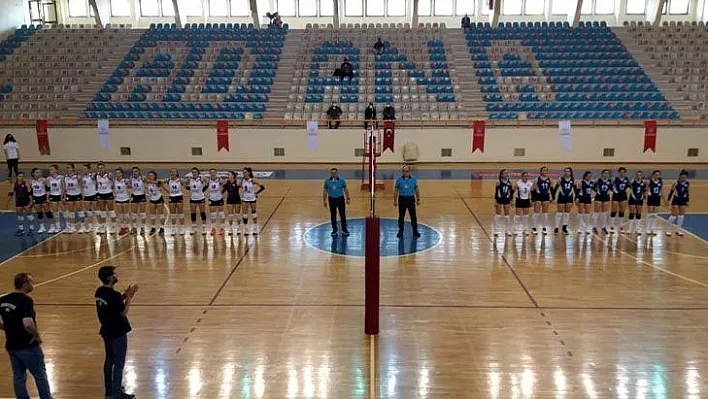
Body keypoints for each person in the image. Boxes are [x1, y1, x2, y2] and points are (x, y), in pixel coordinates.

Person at [0, 273, 52, 399]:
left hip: (11, 345)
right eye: (31, 282)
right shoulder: (26, 301)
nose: (33, 284)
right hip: (27, 346)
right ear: (25, 285)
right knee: (40, 375)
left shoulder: (3, 300)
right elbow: (28, 324)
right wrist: (37, 335)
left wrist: (7, 327)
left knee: (18, 377)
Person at [95, 266, 137, 399]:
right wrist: (129, 298)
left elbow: (113, 303)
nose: (117, 275)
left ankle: (109, 390)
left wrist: (124, 295)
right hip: (118, 332)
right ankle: (117, 393)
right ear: (111, 278)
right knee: (119, 362)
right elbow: (123, 312)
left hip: (106, 330)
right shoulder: (114, 296)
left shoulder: (99, 292)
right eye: (115, 274)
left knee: (109, 361)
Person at [394, 165, 421, 238]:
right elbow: (396, 190)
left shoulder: (414, 179)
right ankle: (400, 231)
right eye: (404, 171)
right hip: (402, 199)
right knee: (401, 216)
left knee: (413, 216)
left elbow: (416, 189)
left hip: (411, 199)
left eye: (407, 171)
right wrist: (395, 200)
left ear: (409, 171)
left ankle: (415, 231)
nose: (405, 172)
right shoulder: (399, 180)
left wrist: (418, 199)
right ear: (402, 172)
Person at [323, 168, 350, 236]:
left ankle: (344, 229)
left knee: (342, 214)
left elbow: (345, 189)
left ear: (337, 173)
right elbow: (325, 191)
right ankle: (334, 230)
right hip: (332, 200)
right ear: (331, 173)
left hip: (340, 199)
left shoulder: (342, 180)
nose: (334, 174)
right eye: (332, 173)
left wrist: (348, 198)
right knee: (333, 215)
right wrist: (324, 200)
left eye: (335, 173)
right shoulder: (327, 181)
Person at [240, 167, 265, 235]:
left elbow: (262, 187)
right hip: (244, 198)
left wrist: (256, 193)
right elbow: (239, 186)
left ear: (249, 172)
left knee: (253, 213)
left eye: (245, 172)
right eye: (243, 172)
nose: (243, 173)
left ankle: (255, 228)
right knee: (244, 214)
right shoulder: (242, 179)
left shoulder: (253, 180)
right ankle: (246, 229)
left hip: (252, 198)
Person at [666, 169, 689, 236]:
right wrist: (668, 200)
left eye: (684, 177)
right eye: (682, 177)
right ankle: (667, 229)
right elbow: (671, 192)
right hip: (676, 200)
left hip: (683, 200)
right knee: (673, 216)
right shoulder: (676, 183)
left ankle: (678, 230)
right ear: (679, 177)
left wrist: (687, 200)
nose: (683, 179)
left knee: (681, 216)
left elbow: (687, 192)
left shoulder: (687, 183)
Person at [96, 162, 116, 235]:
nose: (100, 169)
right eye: (99, 168)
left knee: (111, 211)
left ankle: (113, 227)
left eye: (102, 168)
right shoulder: (97, 175)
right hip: (100, 194)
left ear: (104, 168)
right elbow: (96, 184)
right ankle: (103, 227)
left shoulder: (109, 175)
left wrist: (112, 188)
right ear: (97, 169)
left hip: (108, 194)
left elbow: (113, 183)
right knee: (102, 212)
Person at [187, 167, 208, 235]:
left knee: (202, 212)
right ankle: (194, 228)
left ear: (198, 172)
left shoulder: (201, 178)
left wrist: (203, 190)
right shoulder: (190, 179)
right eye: (193, 172)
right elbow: (185, 185)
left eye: (195, 172)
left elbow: (207, 184)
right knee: (193, 213)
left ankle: (204, 228)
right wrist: (190, 190)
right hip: (193, 198)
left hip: (201, 198)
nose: (194, 173)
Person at [553, 167, 574, 235]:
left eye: (568, 171)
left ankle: (564, 227)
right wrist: (553, 197)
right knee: (559, 213)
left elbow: (575, 189)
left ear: (570, 172)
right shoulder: (560, 179)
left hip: (569, 197)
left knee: (567, 213)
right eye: (565, 171)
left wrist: (577, 197)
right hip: (561, 197)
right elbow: (555, 188)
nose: (566, 172)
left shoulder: (573, 179)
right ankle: (556, 228)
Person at [531, 166, 551, 235]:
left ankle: (544, 228)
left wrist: (551, 197)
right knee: (536, 212)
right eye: (543, 170)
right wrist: (533, 199)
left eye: (546, 170)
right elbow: (533, 190)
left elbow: (550, 189)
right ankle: (534, 227)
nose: (545, 172)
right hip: (538, 196)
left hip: (546, 196)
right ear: (540, 172)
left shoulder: (549, 179)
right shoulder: (536, 179)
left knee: (545, 213)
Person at [493, 169, 513, 236]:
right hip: (499, 199)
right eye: (505, 173)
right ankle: (496, 230)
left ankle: (507, 230)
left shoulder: (509, 183)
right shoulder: (498, 182)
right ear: (501, 175)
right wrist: (495, 201)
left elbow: (511, 193)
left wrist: (511, 200)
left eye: (507, 173)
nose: (506, 174)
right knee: (498, 214)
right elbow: (496, 193)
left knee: (507, 215)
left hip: (506, 199)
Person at [80, 163, 99, 234]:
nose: (84, 170)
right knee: (88, 211)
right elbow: (83, 186)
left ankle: (100, 225)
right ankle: (91, 226)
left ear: (89, 169)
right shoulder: (83, 177)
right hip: (86, 195)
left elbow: (95, 176)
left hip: (94, 194)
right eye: (83, 169)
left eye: (85, 169)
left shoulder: (92, 175)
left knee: (96, 210)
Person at [30, 168, 50, 234]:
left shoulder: (43, 180)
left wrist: (47, 198)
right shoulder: (31, 181)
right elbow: (31, 192)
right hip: (36, 197)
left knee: (48, 212)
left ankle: (53, 226)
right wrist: (32, 200)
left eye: (39, 172)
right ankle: (42, 227)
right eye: (37, 172)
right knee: (39, 213)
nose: (39, 173)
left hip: (43, 196)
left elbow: (48, 189)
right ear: (33, 174)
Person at [63, 163, 82, 233]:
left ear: (72, 168)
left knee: (80, 211)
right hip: (69, 195)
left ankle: (82, 226)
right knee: (71, 211)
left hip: (77, 195)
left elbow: (81, 184)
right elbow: (65, 187)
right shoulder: (65, 177)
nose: (67, 169)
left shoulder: (77, 176)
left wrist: (78, 178)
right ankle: (72, 226)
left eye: (68, 168)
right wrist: (64, 196)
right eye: (66, 168)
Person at [207, 168, 226, 235]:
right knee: (213, 215)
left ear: (216, 173)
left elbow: (225, 186)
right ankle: (213, 228)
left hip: (219, 198)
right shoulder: (208, 180)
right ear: (210, 173)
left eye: (213, 172)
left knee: (221, 214)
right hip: (212, 199)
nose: (212, 173)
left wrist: (222, 193)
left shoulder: (219, 180)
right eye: (211, 172)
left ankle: (222, 228)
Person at [610, 166, 629, 233]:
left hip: (623, 196)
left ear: (625, 173)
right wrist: (614, 190)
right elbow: (610, 186)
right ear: (618, 172)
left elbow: (629, 186)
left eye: (623, 172)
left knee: (621, 212)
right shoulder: (615, 179)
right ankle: (611, 226)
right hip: (616, 196)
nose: (622, 173)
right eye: (621, 172)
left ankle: (620, 226)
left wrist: (627, 189)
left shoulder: (626, 179)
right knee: (614, 211)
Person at [167, 169, 185, 236]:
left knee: (180, 213)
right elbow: (159, 182)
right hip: (171, 197)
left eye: (174, 172)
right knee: (173, 213)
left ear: (177, 173)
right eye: (171, 172)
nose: (172, 173)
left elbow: (187, 184)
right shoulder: (168, 180)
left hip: (179, 196)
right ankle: (173, 228)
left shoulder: (180, 180)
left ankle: (182, 228)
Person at [514, 171, 533, 236]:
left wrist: (530, 200)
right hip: (519, 200)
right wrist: (512, 200)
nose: (526, 177)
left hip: (526, 200)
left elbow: (530, 192)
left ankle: (525, 229)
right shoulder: (518, 183)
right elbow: (513, 191)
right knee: (517, 215)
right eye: (524, 176)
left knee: (526, 216)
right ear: (521, 177)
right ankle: (515, 229)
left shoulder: (530, 183)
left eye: (527, 176)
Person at [593, 169, 612, 234]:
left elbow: (612, 188)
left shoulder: (610, 181)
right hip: (598, 197)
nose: (606, 174)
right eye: (605, 173)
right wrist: (597, 190)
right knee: (596, 212)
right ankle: (594, 227)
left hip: (606, 197)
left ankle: (603, 227)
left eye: (607, 173)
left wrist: (610, 192)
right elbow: (593, 187)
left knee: (604, 213)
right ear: (602, 174)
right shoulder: (598, 180)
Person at [627, 170, 646, 235]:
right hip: (632, 198)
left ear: (642, 176)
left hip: (640, 199)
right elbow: (630, 189)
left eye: (640, 175)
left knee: (638, 214)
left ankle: (638, 229)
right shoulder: (632, 181)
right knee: (631, 214)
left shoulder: (644, 182)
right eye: (637, 175)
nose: (639, 176)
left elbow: (644, 190)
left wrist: (644, 197)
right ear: (636, 175)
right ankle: (629, 229)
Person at [129, 167, 147, 234]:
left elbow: (147, 182)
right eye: (133, 171)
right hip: (134, 195)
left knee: (142, 213)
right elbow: (130, 186)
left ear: (139, 172)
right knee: (133, 213)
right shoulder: (131, 178)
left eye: (136, 171)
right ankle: (134, 227)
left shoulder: (143, 178)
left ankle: (143, 228)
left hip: (141, 195)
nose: (134, 173)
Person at [223, 171, 242, 235]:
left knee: (237, 214)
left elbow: (243, 187)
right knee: (230, 215)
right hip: (229, 199)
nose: (228, 176)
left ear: (233, 176)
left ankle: (239, 228)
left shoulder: (237, 181)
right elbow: (224, 189)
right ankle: (230, 228)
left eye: (229, 175)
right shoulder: (227, 182)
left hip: (237, 199)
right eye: (228, 175)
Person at [113, 168, 131, 236]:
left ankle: (127, 227)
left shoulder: (125, 180)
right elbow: (112, 187)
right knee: (120, 214)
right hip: (118, 199)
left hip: (125, 198)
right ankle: (122, 228)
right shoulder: (114, 181)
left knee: (125, 214)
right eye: (116, 173)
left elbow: (130, 187)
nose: (117, 174)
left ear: (121, 174)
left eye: (119, 173)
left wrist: (128, 184)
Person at [47, 165, 64, 233]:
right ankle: (57, 227)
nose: (50, 171)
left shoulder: (61, 177)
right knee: (55, 212)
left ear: (56, 170)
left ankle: (69, 226)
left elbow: (63, 187)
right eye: (50, 169)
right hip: (53, 196)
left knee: (64, 211)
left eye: (52, 169)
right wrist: (47, 197)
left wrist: (63, 196)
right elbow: (48, 189)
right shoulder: (48, 178)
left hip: (59, 195)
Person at [646, 170, 663, 236]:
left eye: (658, 174)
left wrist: (664, 200)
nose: (657, 176)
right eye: (656, 174)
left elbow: (661, 190)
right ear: (653, 175)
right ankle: (648, 228)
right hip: (651, 197)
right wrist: (645, 197)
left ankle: (653, 228)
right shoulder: (649, 181)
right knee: (650, 213)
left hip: (657, 198)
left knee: (655, 214)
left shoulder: (660, 182)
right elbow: (646, 189)